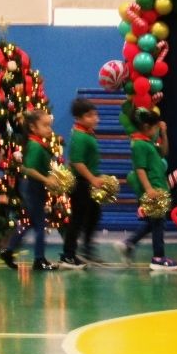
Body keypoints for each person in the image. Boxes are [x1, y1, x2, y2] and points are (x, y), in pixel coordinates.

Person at [117, 108, 177, 271]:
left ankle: (129, 243)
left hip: (158, 186)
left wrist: (163, 133)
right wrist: (149, 189)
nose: (157, 130)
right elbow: (140, 169)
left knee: (154, 223)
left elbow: (164, 152)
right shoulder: (139, 144)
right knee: (158, 223)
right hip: (152, 188)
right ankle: (158, 257)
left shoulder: (148, 143)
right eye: (155, 128)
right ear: (146, 126)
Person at [0, 109, 60, 271]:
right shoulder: (35, 146)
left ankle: (8, 251)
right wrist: (47, 180)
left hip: (33, 187)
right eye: (45, 125)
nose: (49, 129)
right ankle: (39, 259)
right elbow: (29, 169)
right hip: (32, 187)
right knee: (40, 225)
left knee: (28, 222)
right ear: (33, 127)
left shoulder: (38, 144)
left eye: (50, 125)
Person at [60, 98, 104, 269]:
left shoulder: (86, 133)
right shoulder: (79, 136)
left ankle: (86, 250)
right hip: (81, 183)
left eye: (95, 115)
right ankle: (68, 255)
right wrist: (92, 179)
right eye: (90, 115)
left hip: (88, 182)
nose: (95, 118)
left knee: (94, 215)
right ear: (79, 118)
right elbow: (77, 162)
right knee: (77, 219)